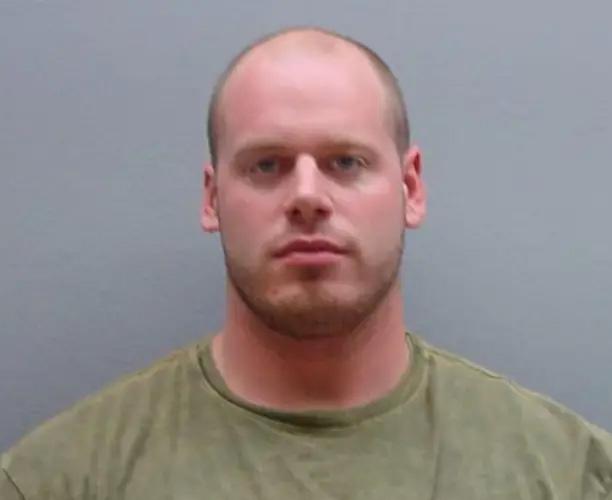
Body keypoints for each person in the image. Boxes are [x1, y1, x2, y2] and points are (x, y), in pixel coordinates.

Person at [2, 26, 611, 500]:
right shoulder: (57, 479)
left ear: (411, 187)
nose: (307, 196)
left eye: (346, 162)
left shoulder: (570, 474)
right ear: (212, 199)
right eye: (266, 165)